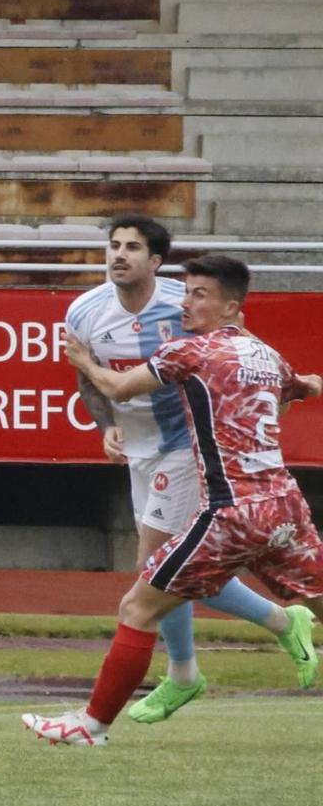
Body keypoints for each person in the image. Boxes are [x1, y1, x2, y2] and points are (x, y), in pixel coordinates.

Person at [26, 253, 321, 748]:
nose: (185, 303)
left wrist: (83, 361)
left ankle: (92, 725)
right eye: (184, 292)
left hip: (232, 513)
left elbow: (118, 386)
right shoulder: (265, 354)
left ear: (230, 307)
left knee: (138, 606)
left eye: (199, 294)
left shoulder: (191, 352)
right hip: (286, 506)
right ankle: (197, 666)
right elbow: (301, 388)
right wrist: (310, 385)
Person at [61, 215, 291, 723]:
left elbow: (236, 349)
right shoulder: (85, 311)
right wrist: (105, 425)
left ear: (156, 261)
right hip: (140, 451)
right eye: (114, 245)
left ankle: (184, 674)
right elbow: (89, 381)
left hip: (186, 447)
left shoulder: (184, 304)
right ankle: (278, 621)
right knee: (170, 567)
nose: (119, 255)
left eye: (133, 247)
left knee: (157, 567)